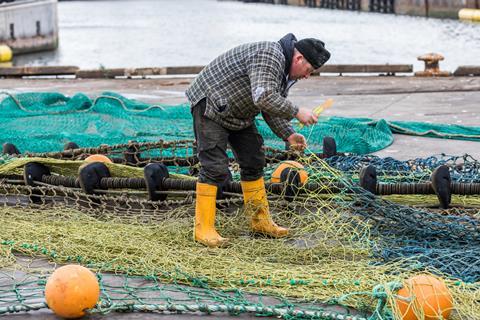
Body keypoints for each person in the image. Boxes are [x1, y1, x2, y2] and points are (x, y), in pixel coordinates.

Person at [186, 33, 330, 247]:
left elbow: (270, 106)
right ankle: (203, 229)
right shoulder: (269, 55)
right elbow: (263, 97)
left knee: (254, 161)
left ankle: (260, 221)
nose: (307, 76)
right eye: (309, 71)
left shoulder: (283, 71)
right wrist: (298, 111)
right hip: (211, 107)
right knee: (215, 168)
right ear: (299, 59)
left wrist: (289, 134)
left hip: (238, 113)